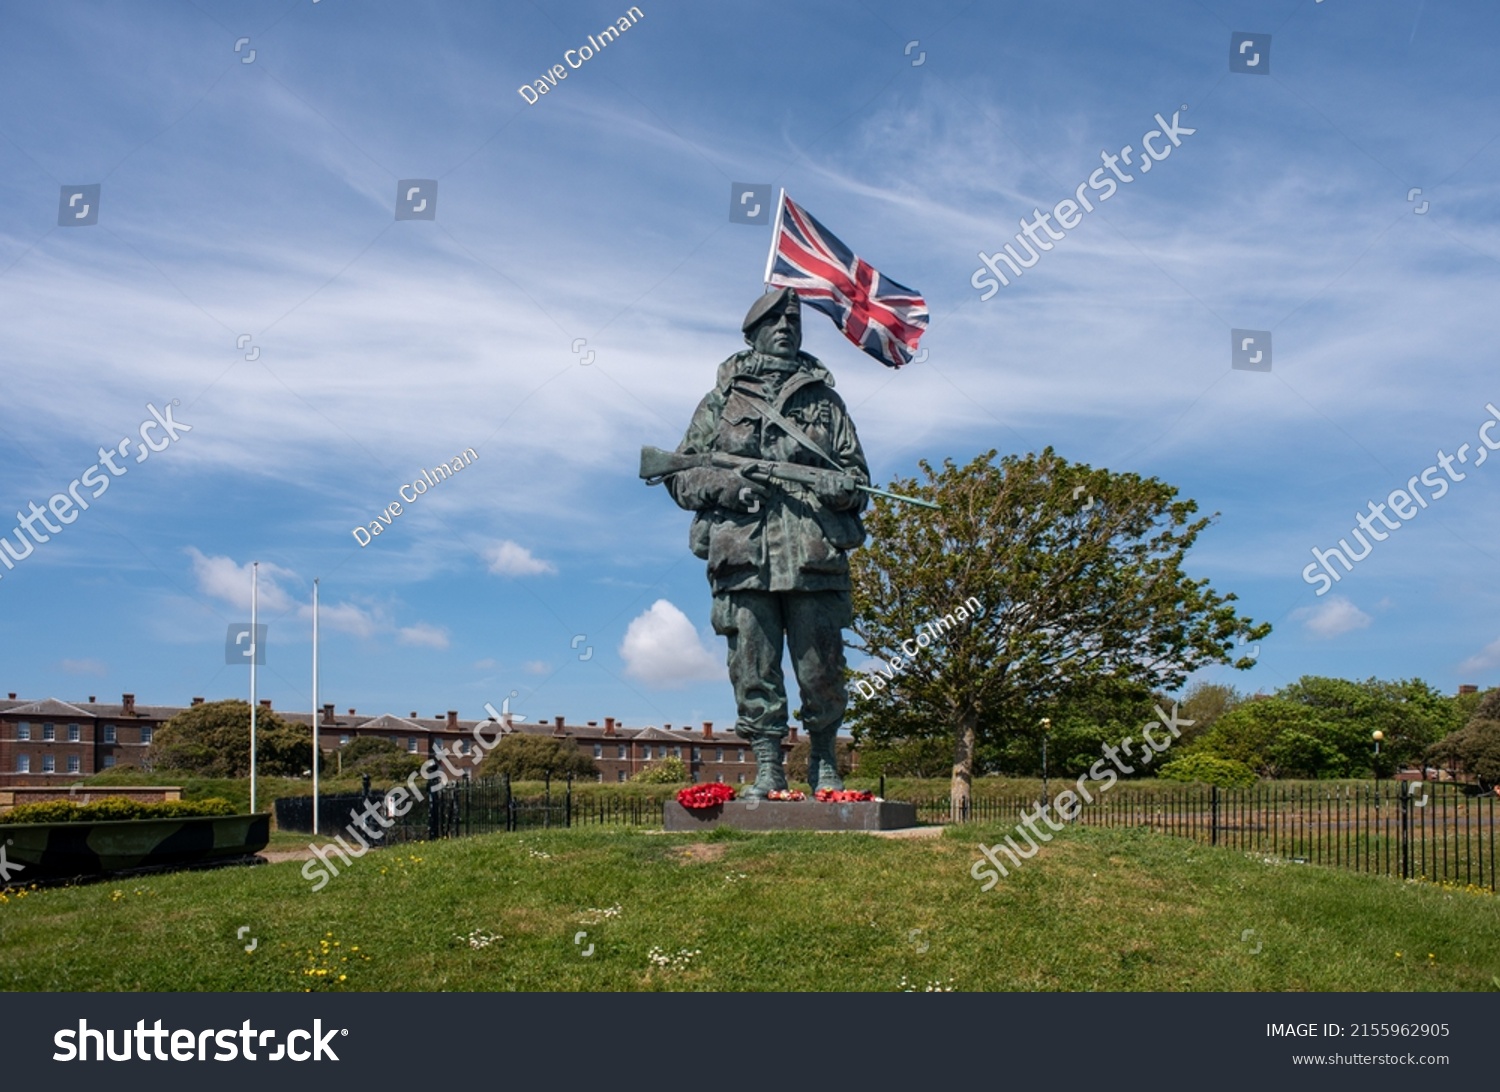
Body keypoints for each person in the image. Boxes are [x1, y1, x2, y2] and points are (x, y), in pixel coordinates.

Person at [664, 287, 869, 796]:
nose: (786, 328)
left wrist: (845, 490)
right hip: (744, 556)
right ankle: (766, 766)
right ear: (753, 331)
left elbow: (858, 477)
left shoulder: (826, 403)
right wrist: (731, 487)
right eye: (775, 321)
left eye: (794, 321)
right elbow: (680, 476)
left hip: (812, 555)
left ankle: (823, 759)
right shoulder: (720, 403)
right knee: (751, 665)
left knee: (821, 667)